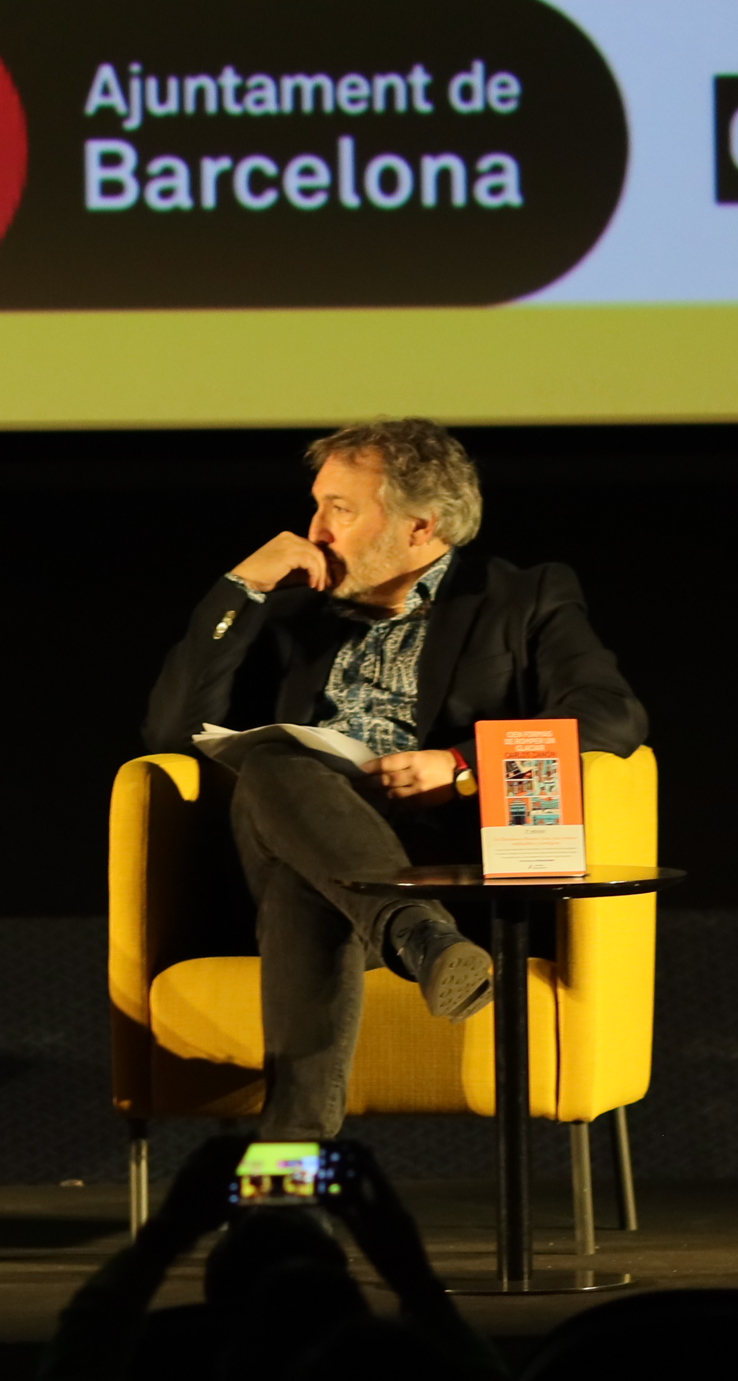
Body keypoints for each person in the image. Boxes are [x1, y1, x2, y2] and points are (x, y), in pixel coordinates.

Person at [144, 418, 645, 1142]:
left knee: (305, 887)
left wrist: (460, 766)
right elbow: (171, 734)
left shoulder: (521, 596)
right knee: (277, 764)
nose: (315, 531)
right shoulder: (291, 606)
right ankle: (419, 938)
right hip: (307, 830)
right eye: (317, 506)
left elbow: (611, 714)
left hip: (436, 864)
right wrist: (240, 587)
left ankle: (288, 1169)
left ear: (421, 526)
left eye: (340, 509)